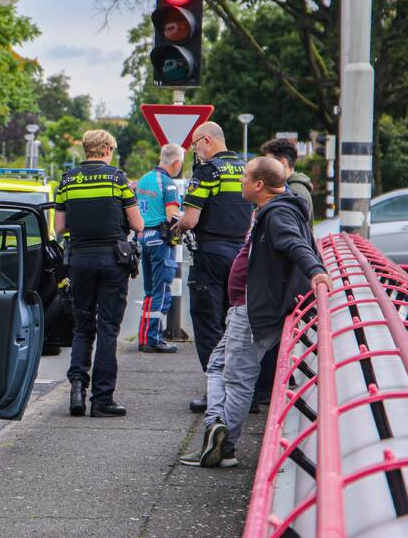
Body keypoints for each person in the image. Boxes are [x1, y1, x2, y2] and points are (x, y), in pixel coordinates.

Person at [179, 157, 329, 468]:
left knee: (237, 376)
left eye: (245, 178)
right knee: (219, 365)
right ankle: (215, 430)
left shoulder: (278, 214)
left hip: (254, 310)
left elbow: (296, 245)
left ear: (259, 185)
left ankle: (224, 446)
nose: (240, 184)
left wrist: (317, 271)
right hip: (247, 307)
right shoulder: (276, 209)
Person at [55, 129, 144, 418]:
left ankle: (77, 389)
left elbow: (59, 227)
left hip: (79, 259)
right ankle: (102, 400)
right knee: (108, 328)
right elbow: (138, 223)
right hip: (112, 259)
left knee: (82, 325)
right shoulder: (117, 179)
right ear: (106, 149)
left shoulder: (67, 180)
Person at [176, 122, 253, 413]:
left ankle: (215, 391)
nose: (195, 151)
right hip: (240, 254)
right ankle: (241, 392)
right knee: (234, 323)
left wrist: (179, 225)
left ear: (207, 140)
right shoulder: (246, 168)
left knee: (208, 323)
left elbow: (191, 220)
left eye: (195, 145)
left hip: (210, 254)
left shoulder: (207, 171)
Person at [253, 138, 315, 410]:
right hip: (278, 285)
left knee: (265, 346)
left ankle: (259, 393)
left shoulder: (288, 199)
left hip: (276, 288)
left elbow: (294, 241)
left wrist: (316, 270)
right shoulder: (293, 194)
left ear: (282, 165)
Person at [135, 143, 184, 353]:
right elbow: (172, 217)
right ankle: (153, 339)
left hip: (145, 237)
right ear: (176, 162)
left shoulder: (144, 179)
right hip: (161, 240)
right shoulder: (168, 184)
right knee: (162, 292)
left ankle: (145, 335)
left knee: (150, 290)